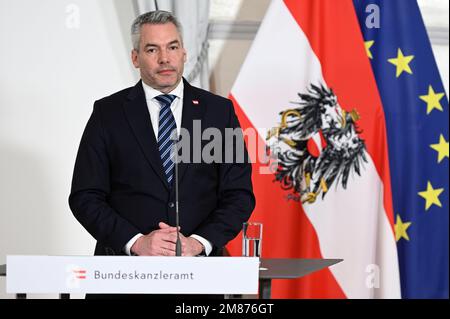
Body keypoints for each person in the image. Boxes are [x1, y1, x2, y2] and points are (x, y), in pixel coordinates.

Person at [69, 10, 255, 264]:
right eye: (152, 50)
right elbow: (85, 196)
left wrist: (199, 243)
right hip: (122, 275)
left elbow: (239, 194)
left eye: (172, 47)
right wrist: (136, 242)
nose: (165, 59)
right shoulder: (107, 114)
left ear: (184, 53)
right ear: (135, 58)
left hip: (199, 277)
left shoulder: (219, 112)